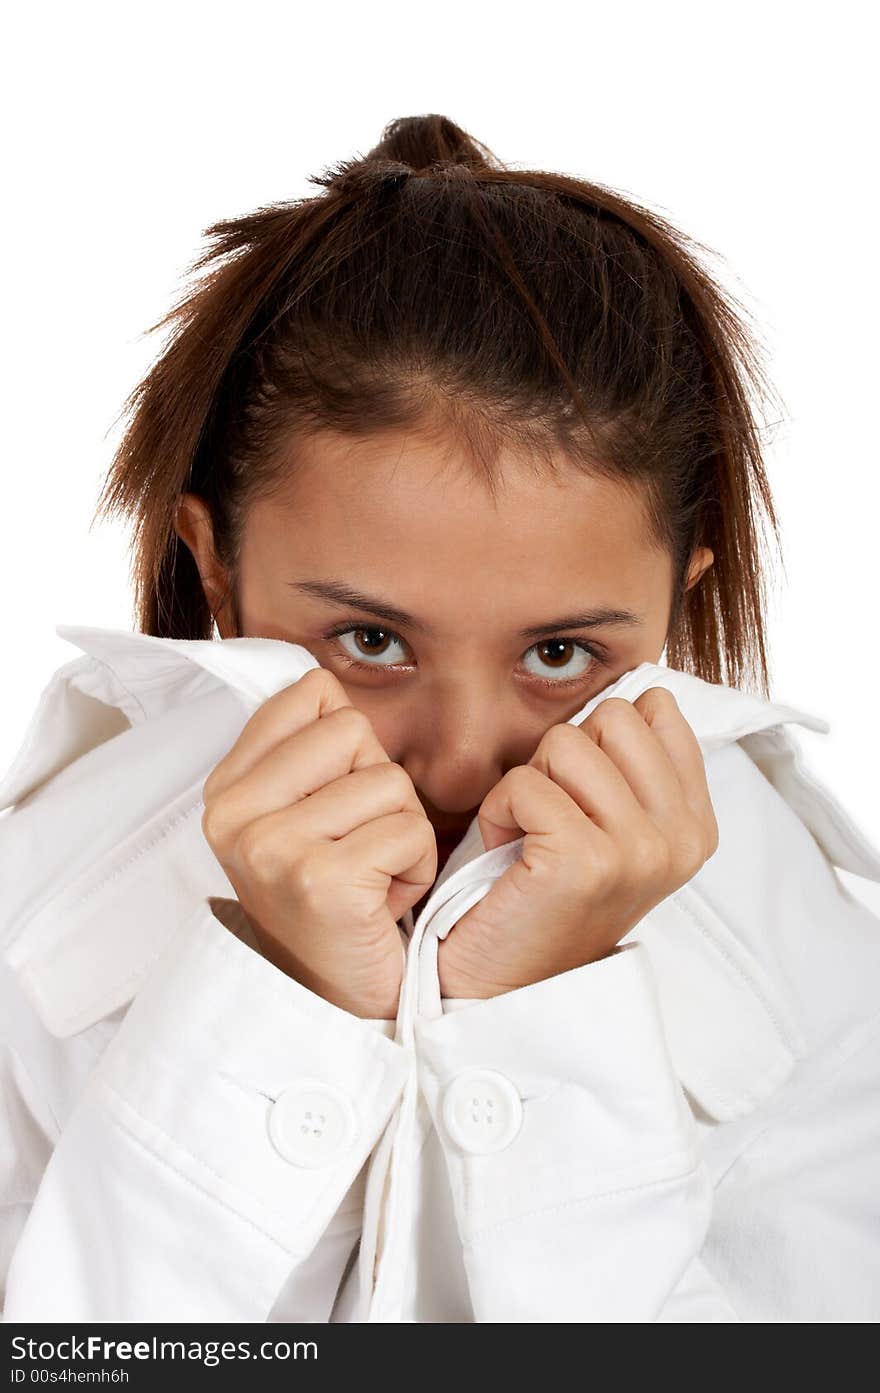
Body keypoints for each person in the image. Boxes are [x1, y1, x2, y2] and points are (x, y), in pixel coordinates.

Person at [2, 113, 879, 1324]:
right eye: (370, 641)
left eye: (561, 653)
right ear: (216, 571)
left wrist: (544, 1015)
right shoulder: (31, 914)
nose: (464, 756)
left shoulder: (825, 973)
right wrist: (285, 1003)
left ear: (672, 609)